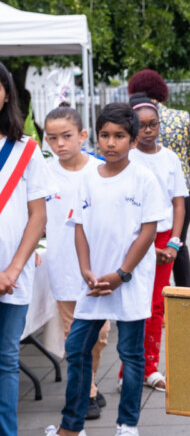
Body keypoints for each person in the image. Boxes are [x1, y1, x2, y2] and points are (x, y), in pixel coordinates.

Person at [46, 102, 167, 436]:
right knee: (76, 348)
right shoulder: (88, 178)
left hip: (128, 282)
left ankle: (127, 425)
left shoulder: (143, 178)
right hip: (94, 284)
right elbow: (79, 227)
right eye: (105, 135)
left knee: (130, 354)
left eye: (119, 136)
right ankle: (72, 426)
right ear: (96, 138)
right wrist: (86, 270)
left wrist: (122, 274)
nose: (111, 143)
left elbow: (148, 232)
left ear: (133, 140)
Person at [43, 106, 108, 420]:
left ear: (82, 135)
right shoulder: (44, 174)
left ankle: (89, 380)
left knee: (100, 334)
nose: (60, 144)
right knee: (74, 332)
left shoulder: (100, 171)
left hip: (99, 265)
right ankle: (87, 391)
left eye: (66, 136)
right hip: (63, 265)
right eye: (52, 138)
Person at [122, 94, 188, 392]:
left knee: (156, 304)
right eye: (142, 125)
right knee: (134, 304)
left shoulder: (170, 158)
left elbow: (179, 203)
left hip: (164, 238)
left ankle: (149, 368)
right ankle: (127, 370)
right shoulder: (127, 158)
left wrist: (174, 242)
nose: (148, 130)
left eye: (154, 124)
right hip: (135, 239)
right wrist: (149, 248)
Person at [0, 62, 50, 436]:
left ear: (6, 93)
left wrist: (13, 270)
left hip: (12, 276)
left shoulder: (26, 150)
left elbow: (38, 215)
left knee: (6, 359)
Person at [127, 69, 190, 289]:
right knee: (179, 247)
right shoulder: (181, 117)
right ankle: (184, 297)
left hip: (164, 206)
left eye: (153, 125)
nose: (148, 130)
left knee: (161, 265)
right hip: (179, 191)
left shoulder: (135, 119)